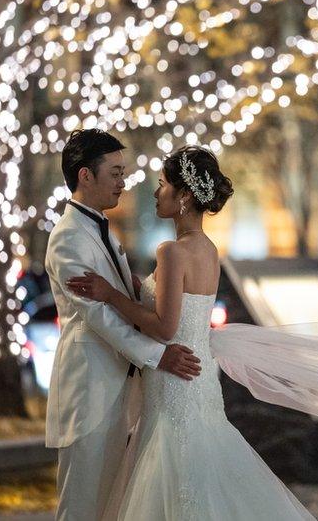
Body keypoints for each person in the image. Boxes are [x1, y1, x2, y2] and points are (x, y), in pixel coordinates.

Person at [68, 145, 314, 520]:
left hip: (172, 381)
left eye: (163, 184)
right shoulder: (209, 250)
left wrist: (111, 295)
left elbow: (166, 328)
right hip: (198, 383)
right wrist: (139, 290)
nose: (155, 192)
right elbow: (184, 314)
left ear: (183, 197)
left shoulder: (171, 252)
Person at [44, 129, 202, 520]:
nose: (123, 182)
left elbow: (122, 303)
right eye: (115, 173)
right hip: (89, 392)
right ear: (85, 176)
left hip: (121, 392)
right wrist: (159, 356)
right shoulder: (68, 238)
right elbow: (99, 318)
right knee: (82, 507)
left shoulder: (103, 231)